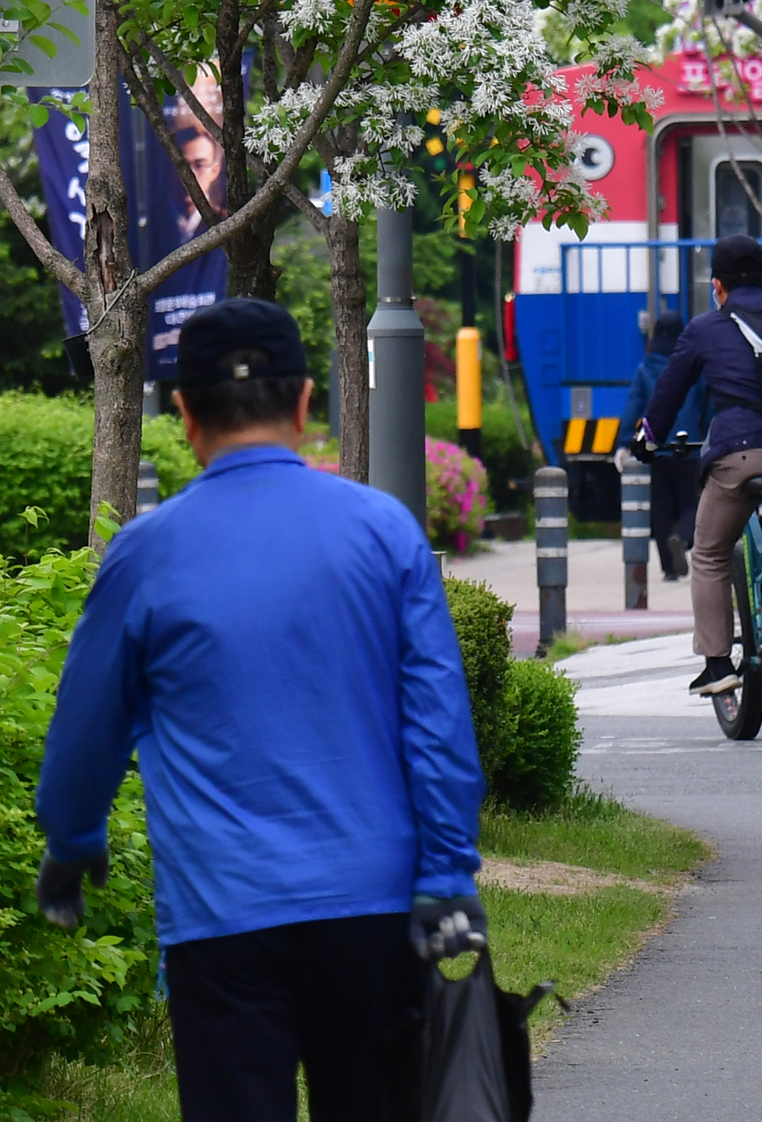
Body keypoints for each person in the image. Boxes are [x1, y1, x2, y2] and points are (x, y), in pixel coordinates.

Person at [34, 297, 486, 1122]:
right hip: (374, 908)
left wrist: (72, 838)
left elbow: (85, 724)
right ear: (307, 400)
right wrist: (448, 872)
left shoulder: (145, 552)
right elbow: (437, 722)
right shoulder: (383, 532)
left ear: (183, 412)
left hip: (221, 917)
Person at [634, 234, 762, 696]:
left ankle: (716, 664)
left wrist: (646, 438)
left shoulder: (706, 328)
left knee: (708, 554)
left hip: (738, 457)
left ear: (717, 287)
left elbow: (668, 392)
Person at [619, 308, 706, 580]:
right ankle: (683, 539)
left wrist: (624, 442)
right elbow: (709, 403)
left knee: (661, 507)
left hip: (656, 447)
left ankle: (669, 568)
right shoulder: (694, 368)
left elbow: (633, 407)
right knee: (690, 502)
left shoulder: (645, 370)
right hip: (689, 445)